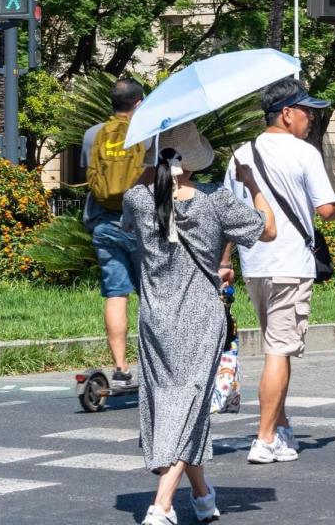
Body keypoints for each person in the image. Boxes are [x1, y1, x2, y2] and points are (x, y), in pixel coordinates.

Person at [122, 121, 276, 525]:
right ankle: (163, 504)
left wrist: (149, 164)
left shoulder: (137, 199)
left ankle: (203, 496)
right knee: (189, 402)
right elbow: (269, 229)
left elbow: (131, 222)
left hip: (155, 317)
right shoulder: (214, 200)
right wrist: (253, 183)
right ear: (193, 161)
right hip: (199, 316)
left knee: (174, 401)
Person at [221, 77, 335, 464]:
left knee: (276, 348)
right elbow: (325, 209)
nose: (311, 117)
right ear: (286, 113)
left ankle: (279, 426)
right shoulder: (304, 153)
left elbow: (230, 217)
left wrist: (225, 261)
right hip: (291, 265)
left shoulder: (240, 154)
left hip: (256, 265)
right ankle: (264, 439)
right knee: (279, 351)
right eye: (306, 110)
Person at [82, 77, 146, 387]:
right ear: (139, 102)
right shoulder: (147, 134)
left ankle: (120, 369)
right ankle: (155, 363)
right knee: (153, 295)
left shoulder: (94, 135)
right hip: (141, 224)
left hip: (105, 223)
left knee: (116, 294)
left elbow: (91, 176)